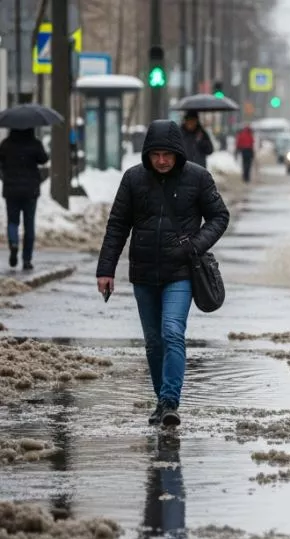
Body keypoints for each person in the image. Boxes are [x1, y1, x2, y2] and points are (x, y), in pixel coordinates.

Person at [96, 120, 230, 427]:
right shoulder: (133, 179)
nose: (161, 160)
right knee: (154, 342)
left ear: (177, 153)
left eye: (167, 154)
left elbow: (219, 216)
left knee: (172, 332)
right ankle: (162, 401)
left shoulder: (198, 177)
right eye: (155, 154)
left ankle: (170, 402)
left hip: (180, 272)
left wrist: (195, 245)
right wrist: (106, 269)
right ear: (147, 154)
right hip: (143, 273)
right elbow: (117, 226)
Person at [0, 128, 49, 270]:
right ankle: (27, 259)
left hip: (11, 190)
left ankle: (14, 244)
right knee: (29, 225)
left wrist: (5, 176)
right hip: (30, 191)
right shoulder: (34, 144)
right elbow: (44, 159)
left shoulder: (6, 144)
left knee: (13, 221)